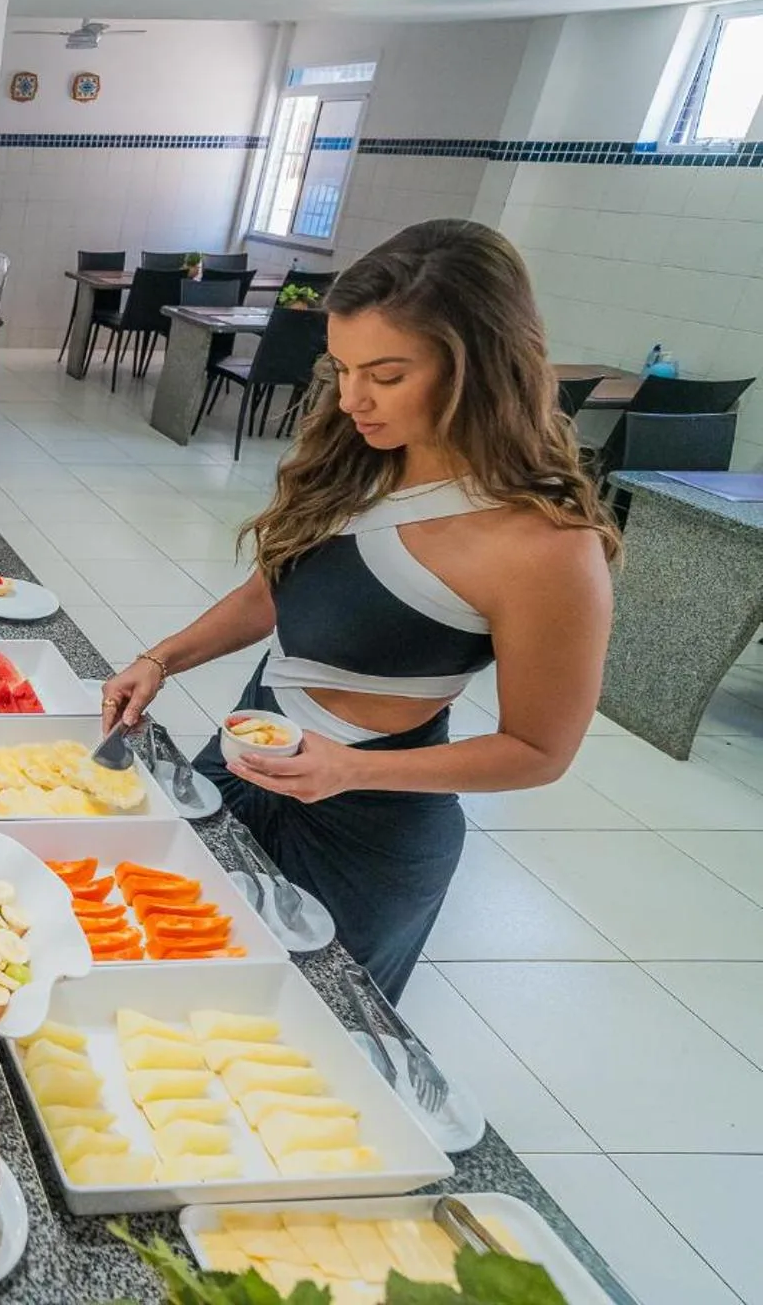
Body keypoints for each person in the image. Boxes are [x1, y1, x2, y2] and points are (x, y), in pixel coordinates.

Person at [101, 219, 618, 999]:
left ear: (476, 365)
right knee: (157, 974)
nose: (351, 399)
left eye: (385, 374)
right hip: (245, 765)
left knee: (282, 1038)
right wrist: (159, 659)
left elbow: (540, 750)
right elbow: (270, 593)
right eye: (342, 368)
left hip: (365, 833)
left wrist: (350, 767)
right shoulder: (358, 462)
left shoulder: (545, 547)